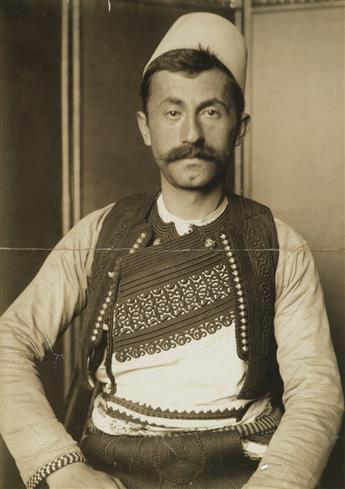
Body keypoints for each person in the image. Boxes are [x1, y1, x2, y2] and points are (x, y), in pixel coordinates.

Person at [0, 12, 343, 489]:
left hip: (245, 469)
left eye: (211, 111)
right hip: (106, 469)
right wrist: (62, 467)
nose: (191, 136)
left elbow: (317, 391)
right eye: (173, 112)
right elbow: (7, 342)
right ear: (145, 126)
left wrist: (278, 482)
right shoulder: (100, 231)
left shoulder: (280, 243)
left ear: (240, 127)